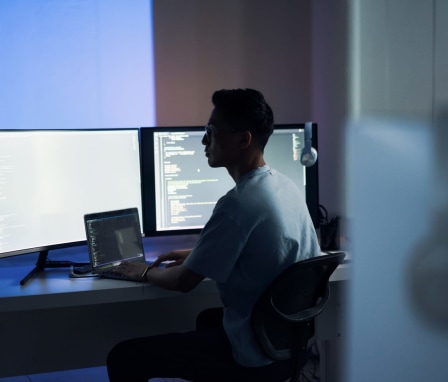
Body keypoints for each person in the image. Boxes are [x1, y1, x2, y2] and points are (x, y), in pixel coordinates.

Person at [107, 88, 320, 382]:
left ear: (243, 139)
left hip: (255, 354)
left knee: (124, 357)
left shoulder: (238, 203)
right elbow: (266, 249)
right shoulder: (284, 185)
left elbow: (182, 282)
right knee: (207, 319)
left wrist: (142, 271)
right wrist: (197, 255)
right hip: (287, 343)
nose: (204, 141)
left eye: (211, 131)